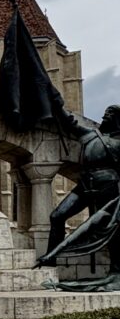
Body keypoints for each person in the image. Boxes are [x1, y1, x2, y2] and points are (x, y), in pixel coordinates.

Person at [37, 104, 120, 271]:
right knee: (57, 216)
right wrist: (54, 102)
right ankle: (51, 260)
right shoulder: (91, 135)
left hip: (109, 186)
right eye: (105, 112)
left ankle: (116, 268)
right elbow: (70, 123)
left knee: (111, 227)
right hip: (85, 184)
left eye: (110, 113)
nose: (105, 115)